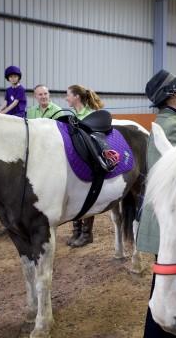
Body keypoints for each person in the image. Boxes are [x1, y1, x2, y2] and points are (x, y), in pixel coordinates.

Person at [136, 69, 176, 338]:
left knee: (165, 282)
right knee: (167, 284)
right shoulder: (174, 126)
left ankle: (167, 333)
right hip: (169, 219)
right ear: (171, 96)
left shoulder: (169, 121)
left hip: (163, 215)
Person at [64, 84, 105, 248]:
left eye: (68, 95)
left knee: (86, 196)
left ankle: (87, 234)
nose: (66, 98)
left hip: (89, 161)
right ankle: (77, 230)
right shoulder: (75, 114)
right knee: (75, 196)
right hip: (76, 160)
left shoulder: (90, 115)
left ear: (76, 97)